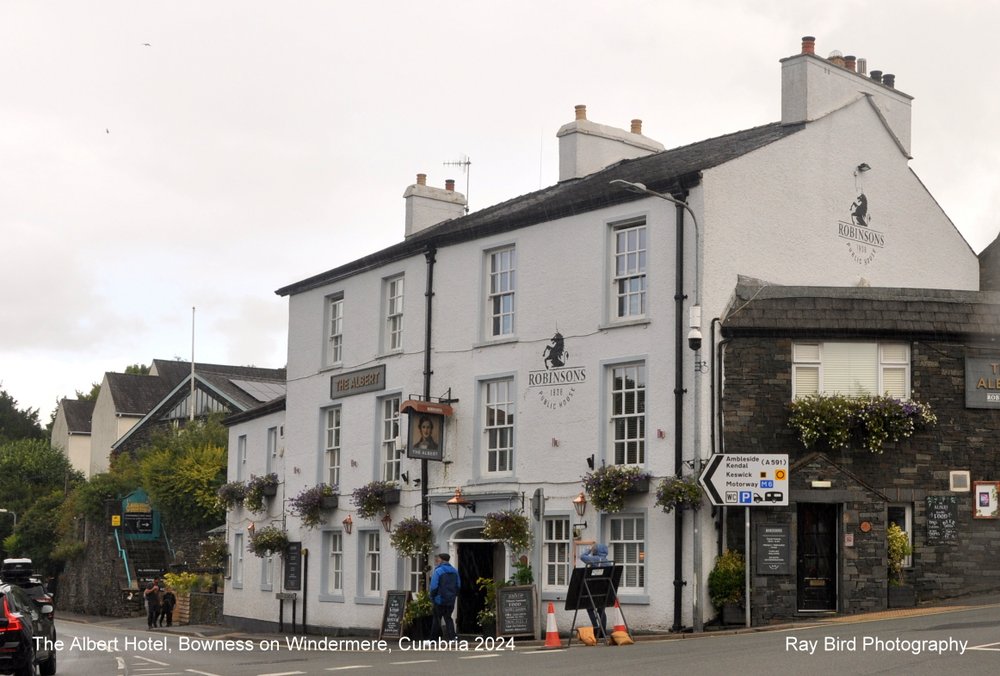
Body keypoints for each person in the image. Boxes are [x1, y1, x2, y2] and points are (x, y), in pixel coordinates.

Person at [579, 543, 612, 638]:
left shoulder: (596, 560)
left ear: (597, 550)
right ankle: (603, 631)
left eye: (595, 549)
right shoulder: (608, 562)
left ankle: (596, 628)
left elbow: (582, 557)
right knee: (601, 610)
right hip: (604, 590)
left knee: (589, 608)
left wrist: (589, 549)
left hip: (594, 589)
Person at [429, 552, 460, 640]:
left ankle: (433, 639)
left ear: (441, 560)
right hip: (451, 599)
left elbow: (434, 586)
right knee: (448, 618)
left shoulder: (438, 570)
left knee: (436, 619)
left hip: (439, 599)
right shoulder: (455, 571)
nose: (437, 560)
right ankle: (453, 638)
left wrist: (432, 596)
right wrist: (454, 595)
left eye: (438, 558)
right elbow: (458, 585)